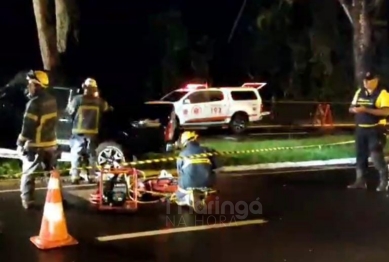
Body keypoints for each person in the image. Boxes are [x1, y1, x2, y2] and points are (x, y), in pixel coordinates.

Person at [17, 70, 58, 209]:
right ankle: (56, 198)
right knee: (51, 174)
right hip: (51, 144)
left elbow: (27, 128)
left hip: (35, 145)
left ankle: (28, 201)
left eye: (30, 83)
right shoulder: (52, 100)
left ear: (37, 85)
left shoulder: (33, 104)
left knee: (28, 173)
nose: (29, 87)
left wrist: (20, 142)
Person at [348, 69, 389, 191]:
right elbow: (351, 107)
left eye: (369, 80)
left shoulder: (383, 94)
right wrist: (353, 110)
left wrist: (366, 110)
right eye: (365, 80)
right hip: (361, 129)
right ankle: (360, 181)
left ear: (376, 80)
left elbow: (386, 111)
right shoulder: (360, 92)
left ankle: (384, 181)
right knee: (360, 156)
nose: (366, 82)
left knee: (376, 155)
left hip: (375, 130)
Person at [66, 78, 110, 184]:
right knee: (91, 155)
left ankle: (75, 177)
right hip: (92, 133)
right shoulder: (100, 101)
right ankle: (92, 176)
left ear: (84, 87)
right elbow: (107, 109)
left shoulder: (77, 100)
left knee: (76, 154)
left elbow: (69, 111)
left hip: (78, 132)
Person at [175, 131, 218, 206]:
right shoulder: (207, 150)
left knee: (178, 195)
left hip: (188, 184)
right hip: (207, 183)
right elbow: (216, 166)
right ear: (195, 139)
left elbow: (179, 172)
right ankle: (203, 195)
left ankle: (187, 199)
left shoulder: (182, 154)